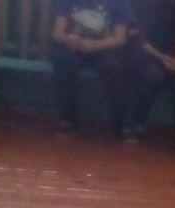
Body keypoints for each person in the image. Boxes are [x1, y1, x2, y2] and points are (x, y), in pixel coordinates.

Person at [49, 0, 133, 138]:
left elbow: (120, 38)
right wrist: (69, 39)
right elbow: (57, 33)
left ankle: (121, 123)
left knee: (114, 66)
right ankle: (68, 119)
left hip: (104, 48)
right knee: (63, 61)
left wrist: (96, 45)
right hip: (74, 47)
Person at [126, 0, 175, 158]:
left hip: (174, 57)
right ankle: (137, 123)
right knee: (153, 75)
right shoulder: (144, 4)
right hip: (147, 55)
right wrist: (161, 57)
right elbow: (140, 40)